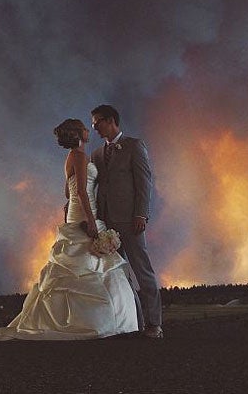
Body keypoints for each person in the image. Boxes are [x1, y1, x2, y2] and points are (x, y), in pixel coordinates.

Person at [0, 119, 139, 341]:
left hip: (76, 211)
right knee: (88, 264)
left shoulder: (71, 158)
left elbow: (68, 192)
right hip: (85, 212)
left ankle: (90, 320)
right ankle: (95, 322)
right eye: (85, 128)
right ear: (78, 134)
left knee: (81, 265)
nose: (88, 131)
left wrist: (77, 202)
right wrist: (92, 220)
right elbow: (82, 192)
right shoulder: (80, 156)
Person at [90, 104, 163, 339]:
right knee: (120, 276)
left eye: (97, 122)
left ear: (111, 120)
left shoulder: (134, 146)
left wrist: (141, 214)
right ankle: (136, 323)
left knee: (142, 271)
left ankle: (155, 324)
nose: (94, 127)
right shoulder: (97, 154)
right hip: (107, 223)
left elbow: (144, 182)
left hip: (130, 222)